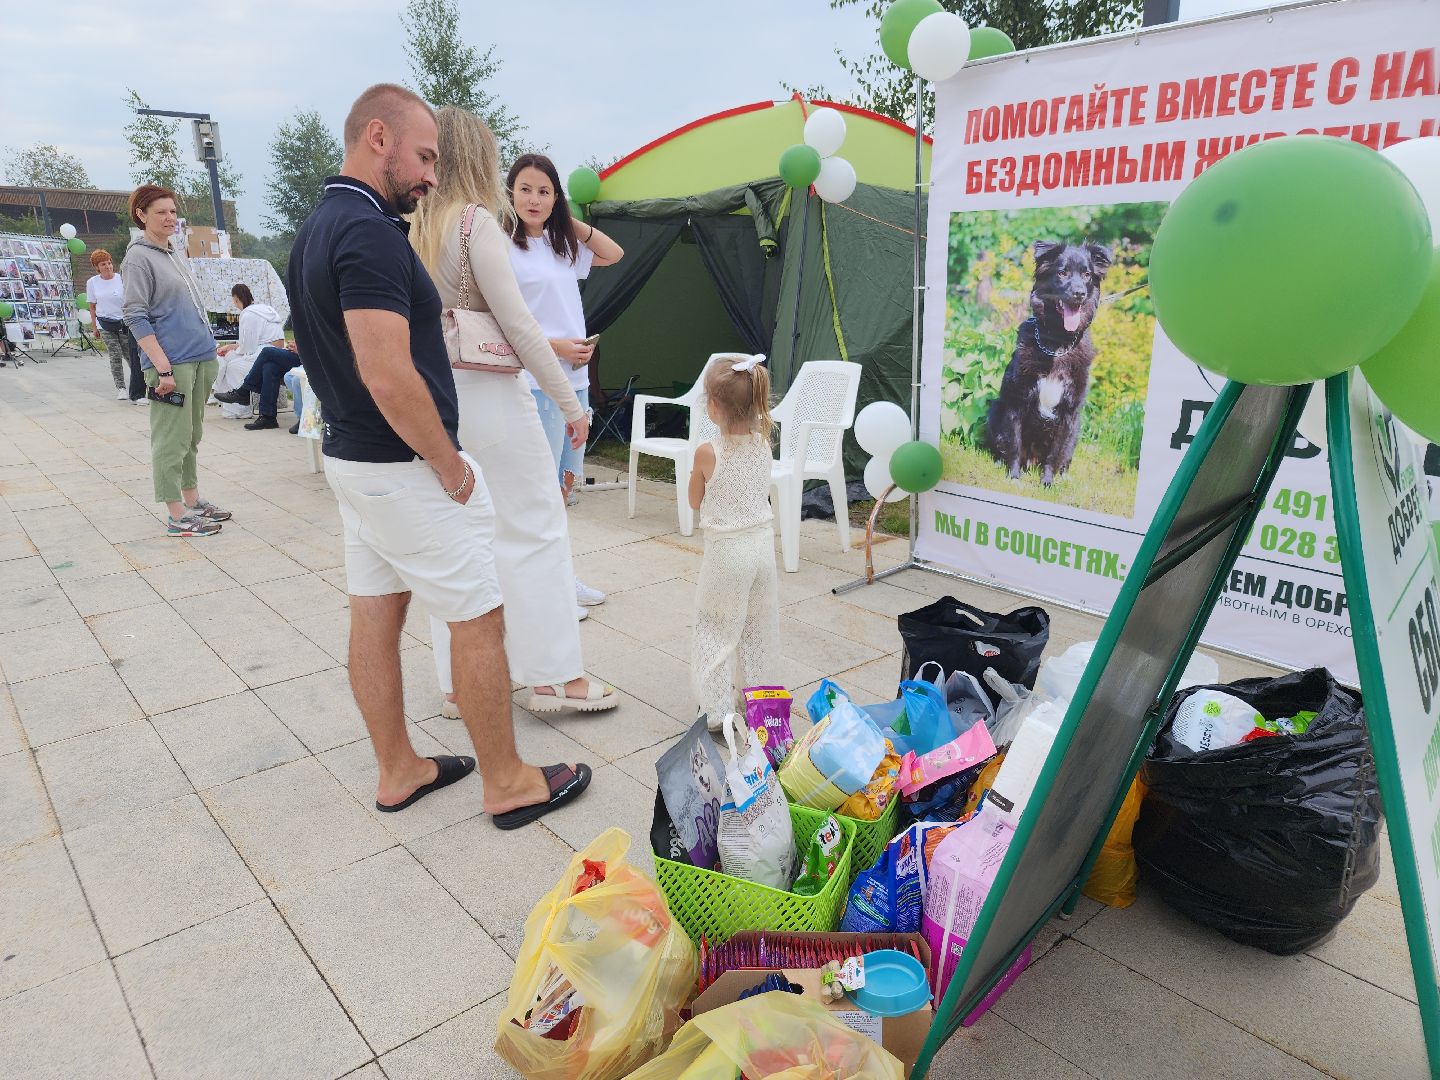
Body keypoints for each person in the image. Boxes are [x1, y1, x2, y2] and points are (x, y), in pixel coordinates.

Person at [289, 82, 590, 827]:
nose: (431, 172)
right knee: (478, 615)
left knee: (375, 613)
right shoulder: (368, 233)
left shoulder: (317, 226)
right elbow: (388, 371)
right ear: (379, 138)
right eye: (423, 156)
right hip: (403, 464)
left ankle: (400, 768)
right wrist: (449, 464)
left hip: (352, 459)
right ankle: (510, 781)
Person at [411, 107, 618, 717]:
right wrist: (565, 399)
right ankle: (555, 676)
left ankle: (460, 684)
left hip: (437, 397)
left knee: (460, 540)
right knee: (535, 529)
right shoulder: (475, 223)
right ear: (482, 157)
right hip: (491, 394)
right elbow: (519, 325)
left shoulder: (420, 224)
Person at [505, 153, 624, 613]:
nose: (534, 199)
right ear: (510, 193)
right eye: (526, 189)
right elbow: (506, 322)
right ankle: (543, 590)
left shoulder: (562, 247)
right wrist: (555, 347)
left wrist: (568, 222)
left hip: (572, 382)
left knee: (564, 485)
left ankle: (559, 576)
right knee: (541, 491)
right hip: (537, 382)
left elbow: (614, 254)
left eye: (545, 191)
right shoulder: (503, 248)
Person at [122, 185, 231, 538]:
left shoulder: (174, 252)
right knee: (171, 437)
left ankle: (192, 498)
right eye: (161, 212)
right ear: (142, 215)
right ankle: (175, 513)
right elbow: (135, 315)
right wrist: (162, 367)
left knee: (192, 434)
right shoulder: (138, 258)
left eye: (173, 211)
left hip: (200, 357)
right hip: (172, 364)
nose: (170, 218)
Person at [688, 355, 780, 731]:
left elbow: (695, 501)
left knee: (715, 628)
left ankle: (715, 712)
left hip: (728, 554)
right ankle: (760, 705)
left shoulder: (708, 452)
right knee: (757, 628)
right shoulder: (763, 445)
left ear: (712, 406)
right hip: (762, 550)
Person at [213, 283, 289, 426]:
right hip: (269, 350)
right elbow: (251, 343)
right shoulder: (265, 309)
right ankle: (225, 394)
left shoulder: (248, 314)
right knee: (228, 356)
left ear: (236, 299)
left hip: (266, 352)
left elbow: (248, 347)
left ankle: (239, 409)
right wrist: (231, 347)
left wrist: (233, 349)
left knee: (232, 365)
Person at [87, 249, 145, 403]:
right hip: (105, 323)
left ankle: (139, 385)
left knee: (130, 354)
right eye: (103, 264)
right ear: (97, 267)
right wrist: (94, 326)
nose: (108, 266)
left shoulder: (121, 279)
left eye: (109, 263)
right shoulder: (92, 283)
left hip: (124, 322)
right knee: (115, 355)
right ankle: (121, 388)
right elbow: (92, 306)